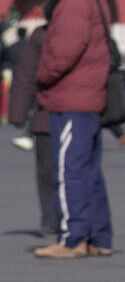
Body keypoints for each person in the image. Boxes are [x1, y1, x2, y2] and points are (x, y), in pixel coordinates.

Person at [33, 0, 114, 258]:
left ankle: (72, 238)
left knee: (69, 171)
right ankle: (99, 237)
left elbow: (63, 51)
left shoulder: (74, 0)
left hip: (71, 99)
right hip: (89, 100)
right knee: (89, 171)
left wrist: (42, 75)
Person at [8, 18, 59, 238]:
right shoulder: (41, 37)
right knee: (58, 171)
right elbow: (27, 76)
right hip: (58, 114)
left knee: (48, 172)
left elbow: (25, 76)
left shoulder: (41, 35)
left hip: (54, 113)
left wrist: (18, 113)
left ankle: (53, 219)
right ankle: (54, 218)